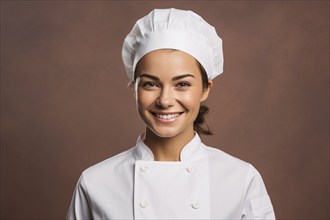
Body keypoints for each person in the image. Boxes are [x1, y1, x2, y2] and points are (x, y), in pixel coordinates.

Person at [66, 8, 275, 220]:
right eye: (150, 84)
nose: (165, 100)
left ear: (205, 89)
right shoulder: (95, 183)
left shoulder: (241, 180)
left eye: (182, 84)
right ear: (134, 88)